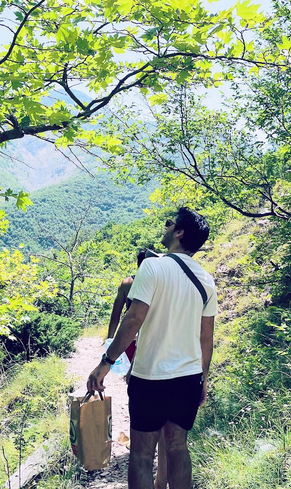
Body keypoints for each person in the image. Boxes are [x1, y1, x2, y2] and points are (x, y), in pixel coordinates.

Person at [88, 208, 218, 489]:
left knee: (142, 453)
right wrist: (203, 379)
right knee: (178, 447)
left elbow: (133, 319)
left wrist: (106, 362)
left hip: (151, 378)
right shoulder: (206, 280)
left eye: (170, 223)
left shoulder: (152, 267)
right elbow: (206, 338)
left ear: (179, 232)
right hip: (188, 378)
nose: (166, 227)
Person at [106, 248, 169, 489]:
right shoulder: (158, 282)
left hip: (133, 340)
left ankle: (143, 421)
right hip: (152, 342)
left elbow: (117, 314)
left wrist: (111, 342)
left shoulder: (129, 283)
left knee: (137, 383)